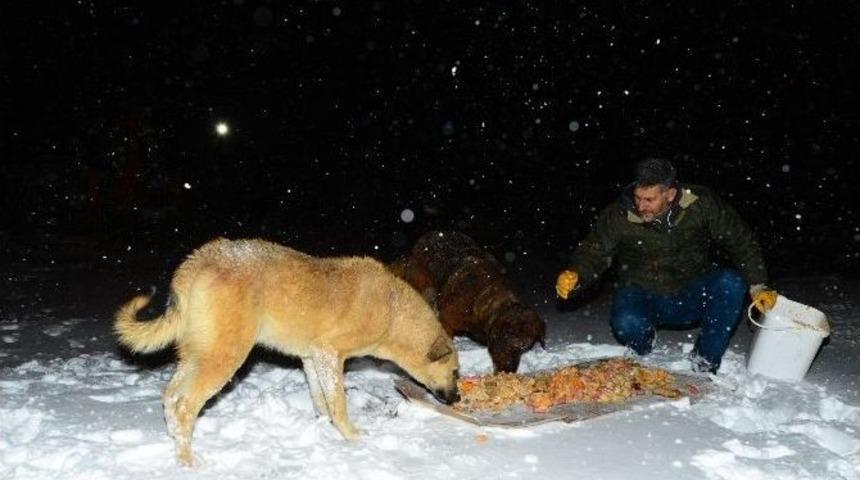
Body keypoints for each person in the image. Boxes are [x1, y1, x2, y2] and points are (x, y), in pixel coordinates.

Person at [555, 158, 777, 373]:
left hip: (692, 292)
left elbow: (739, 239)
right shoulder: (618, 214)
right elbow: (595, 251)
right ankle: (644, 343)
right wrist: (577, 276)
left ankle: (704, 360)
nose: (641, 206)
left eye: (649, 200)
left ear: (670, 194)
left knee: (731, 282)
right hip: (642, 294)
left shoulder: (701, 203)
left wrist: (758, 283)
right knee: (626, 322)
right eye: (638, 197)